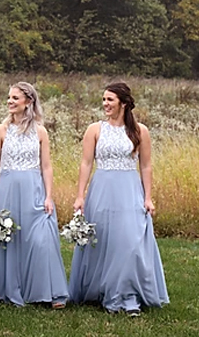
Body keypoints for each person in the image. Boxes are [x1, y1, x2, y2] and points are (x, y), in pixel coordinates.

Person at [69, 82, 169, 315]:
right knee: (103, 241)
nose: (105, 104)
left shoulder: (140, 131)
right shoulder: (95, 129)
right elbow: (86, 163)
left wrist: (148, 197)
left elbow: (146, 166)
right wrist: (79, 196)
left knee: (129, 241)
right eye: (103, 99)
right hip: (102, 190)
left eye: (110, 100)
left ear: (123, 103)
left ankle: (127, 294)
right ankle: (103, 291)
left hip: (129, 190)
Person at [0, 82, 69, 307]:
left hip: (34, 189)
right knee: (8, 237)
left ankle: (47, 291)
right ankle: (6, 287)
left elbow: (46, 166)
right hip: (8, 188)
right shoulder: (0, 130)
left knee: (41, 239)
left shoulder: (40, 131)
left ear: (28, 102)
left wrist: (49, 196)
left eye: (15, 98)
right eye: (9, 97)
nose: (10, 101)